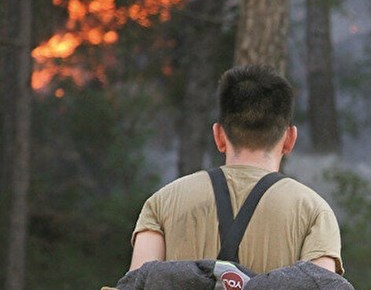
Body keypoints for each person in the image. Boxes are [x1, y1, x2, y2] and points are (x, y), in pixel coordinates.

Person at [129, 64, 344, 276]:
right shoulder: (314, 213)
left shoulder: (162, 204)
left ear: (219, 136)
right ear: (289, 139)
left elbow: (136, 283)